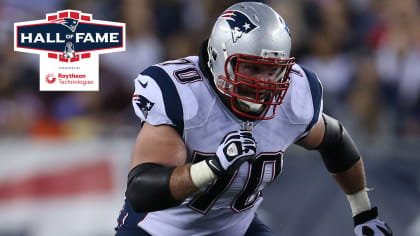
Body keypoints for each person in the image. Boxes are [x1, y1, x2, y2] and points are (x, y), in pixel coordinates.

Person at [114, 2, 392, 235]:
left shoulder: (293, 96)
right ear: (219, 58)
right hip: (160, 230)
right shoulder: (184, 95)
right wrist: (210, 168)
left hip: (236, 228)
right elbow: (141, 191)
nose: (264, 82)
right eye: (252, 68)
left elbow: (335, 140)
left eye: (272, 70)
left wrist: (364, 213)